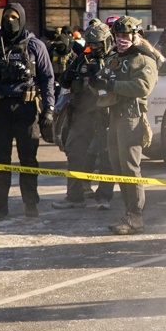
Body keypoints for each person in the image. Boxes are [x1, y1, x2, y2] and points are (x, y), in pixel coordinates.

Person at [0, 4, 56, 219]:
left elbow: (47, 78)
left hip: (26, 110)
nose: (10, 21)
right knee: (1, 160)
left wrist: (49, 109)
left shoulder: (35, 46)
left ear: (22, 18)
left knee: (28, 159)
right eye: (6, 17)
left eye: (14, 17)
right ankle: (0, 207)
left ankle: (30, 204)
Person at [91, 16, 157, 234]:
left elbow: (143, 86)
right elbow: (103, 79)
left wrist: (113, 84)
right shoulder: (114, 58)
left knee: (130, 168)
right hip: (114, 115)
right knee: (117, 168)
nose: (121, 39)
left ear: (135, 35)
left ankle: (136, 217)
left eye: (126, 35)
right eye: (118, 35)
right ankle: (128, 213)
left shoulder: (142, 58)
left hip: (131, 117)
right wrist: (96, 83)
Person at [52, 20, 117, 210]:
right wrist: (71, 78)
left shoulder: (116, 59)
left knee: (107, 157)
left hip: (106, 115)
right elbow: (64, 81)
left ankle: (104, 197)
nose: (94, 48)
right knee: (75, 153)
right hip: (82, 114)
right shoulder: (83, 58)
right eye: (91, 44)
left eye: (98, 44)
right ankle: (74, 196)